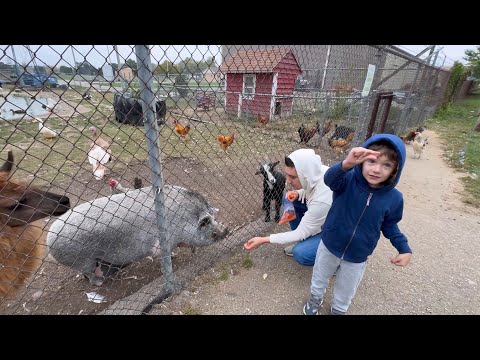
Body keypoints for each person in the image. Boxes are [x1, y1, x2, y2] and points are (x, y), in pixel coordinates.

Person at [303, 134, 412, 315]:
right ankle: (315, 297)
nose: (376, 169)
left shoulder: (394, 198)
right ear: (362, 161)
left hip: (358, 254)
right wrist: (346, 164)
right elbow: (329, 180)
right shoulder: (348, 179)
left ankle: (339, 308)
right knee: (320, 276)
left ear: (395, 170)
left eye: (386, 165)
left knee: (347, 285)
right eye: (371, 161)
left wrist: (404, 248)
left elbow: (391, 225)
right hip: (330, 243)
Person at [244, 148, 333, 266]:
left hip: (340, 233)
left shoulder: (322, 200)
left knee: (301, 253)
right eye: (287, 175)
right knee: (288, 198)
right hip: (327, 215)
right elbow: (312, 188)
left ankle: (335, 262)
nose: (288, 181)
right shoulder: (317, 170)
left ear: (305, 175)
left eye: (293, 177)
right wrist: (299, 193)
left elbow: (302, 231)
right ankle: (307, 242)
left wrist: (264, 239)